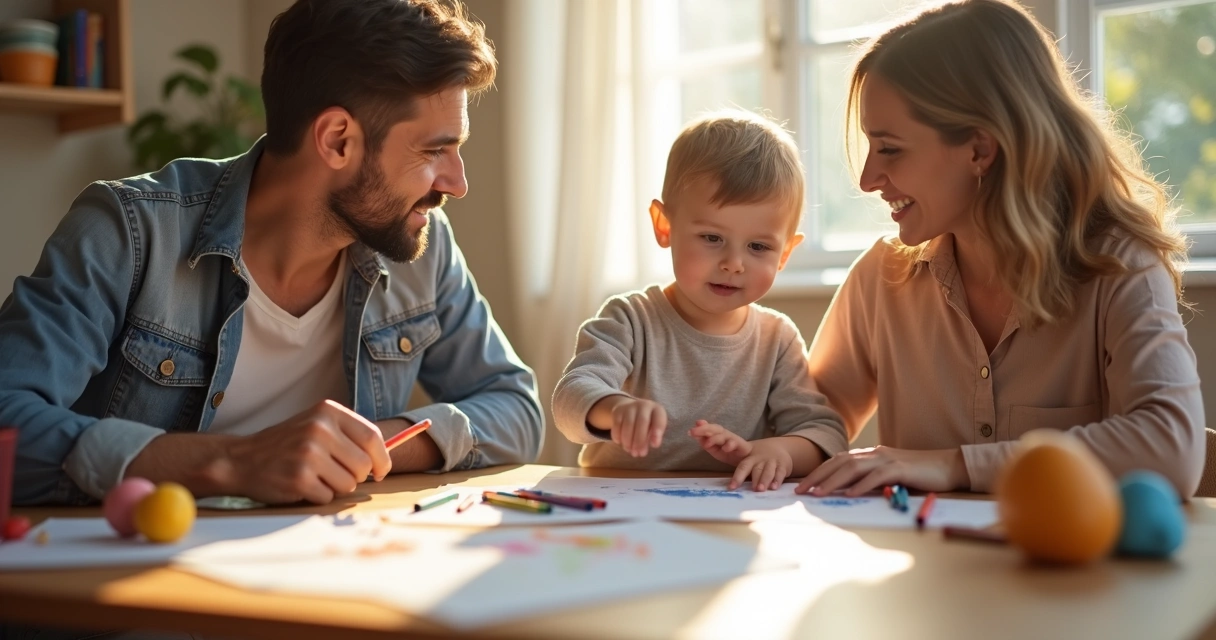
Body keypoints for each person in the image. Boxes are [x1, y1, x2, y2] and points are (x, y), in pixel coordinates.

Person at [0, 0, 543, 507]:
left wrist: (368, 446)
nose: (457, 184)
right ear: (337, 140)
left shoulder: (422, 245)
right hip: (135, 566)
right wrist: (235, 462)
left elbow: (516, 408)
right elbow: (8, 420)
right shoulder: (131, 232)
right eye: (434, 150)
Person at [796, 0, 1203, 497]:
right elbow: (803, 422)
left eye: (890, 149)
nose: (867, 179)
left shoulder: (1121, 266)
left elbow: (1172, 448)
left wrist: (954, 466)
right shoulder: (882, 278)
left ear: (979, 150)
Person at [552, 110, 847, 492]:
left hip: (727, 511)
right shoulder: (629, 319)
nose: (734, 263)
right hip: (621, 505)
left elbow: (825, 435)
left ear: (785, 254)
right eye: (712, 238)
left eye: (758, 247)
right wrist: (615, 408)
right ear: (665, 226)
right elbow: (569, 399)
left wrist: (779, 451)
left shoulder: (778, 340)